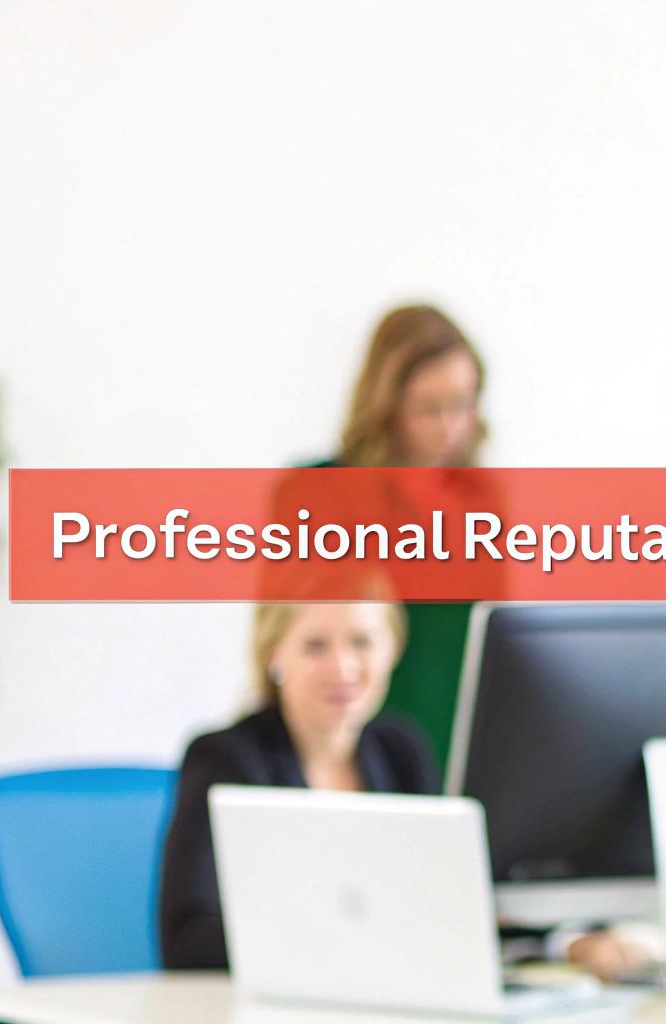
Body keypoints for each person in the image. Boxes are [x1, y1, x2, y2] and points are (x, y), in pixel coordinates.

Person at [159, 601, 435, 969]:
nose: (343, 667)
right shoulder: (224, 759)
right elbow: (186, 940)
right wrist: (337, 946)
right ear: (273, 654)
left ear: (392, 649)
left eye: (362, 642)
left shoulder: (401, 753)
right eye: (315, 646)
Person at [318, 304, 488, 776]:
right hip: (351, 748)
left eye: (463, 404)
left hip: (458, 746)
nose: (450, 427)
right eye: (430, 409)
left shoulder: (484, 504)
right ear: (387, 407)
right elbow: (291, 639)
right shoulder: (317, 494)